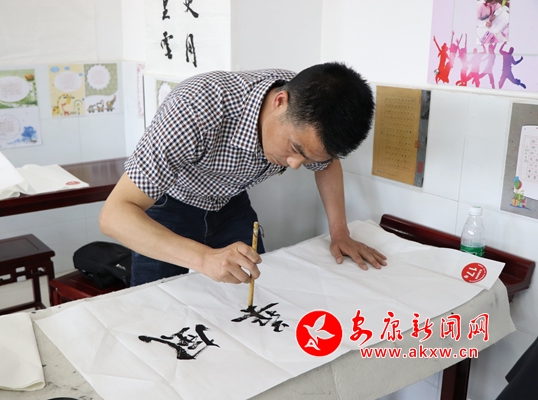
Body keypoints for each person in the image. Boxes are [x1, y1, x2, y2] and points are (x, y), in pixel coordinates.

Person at [99, 62, 387, 287]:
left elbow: (327, 164)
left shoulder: (313, 109)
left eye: (308, 158)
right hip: (168, 204)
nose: (295, 165)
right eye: (294, 149)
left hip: (230, 203)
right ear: (280, 102)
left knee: (253, 293)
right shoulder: (196, 107)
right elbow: (114, 215)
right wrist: (204, 258)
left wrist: (340, 232)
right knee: (155, 304)